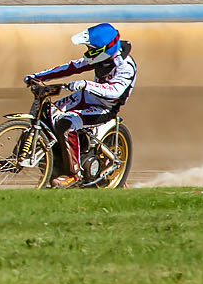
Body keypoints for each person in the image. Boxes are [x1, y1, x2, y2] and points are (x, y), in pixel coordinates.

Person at [25, 21, 136, 187]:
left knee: (66, 123)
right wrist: (39, 77)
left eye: (92, 49)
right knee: (48, 113)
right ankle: (55, 160)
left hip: (105, 108)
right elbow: (71, 67)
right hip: (87, 97)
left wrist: (85, 84)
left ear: (104, 49)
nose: (88, 52)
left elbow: (114, 91)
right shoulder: (101, 57)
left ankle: (72, 174)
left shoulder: (125, 67)